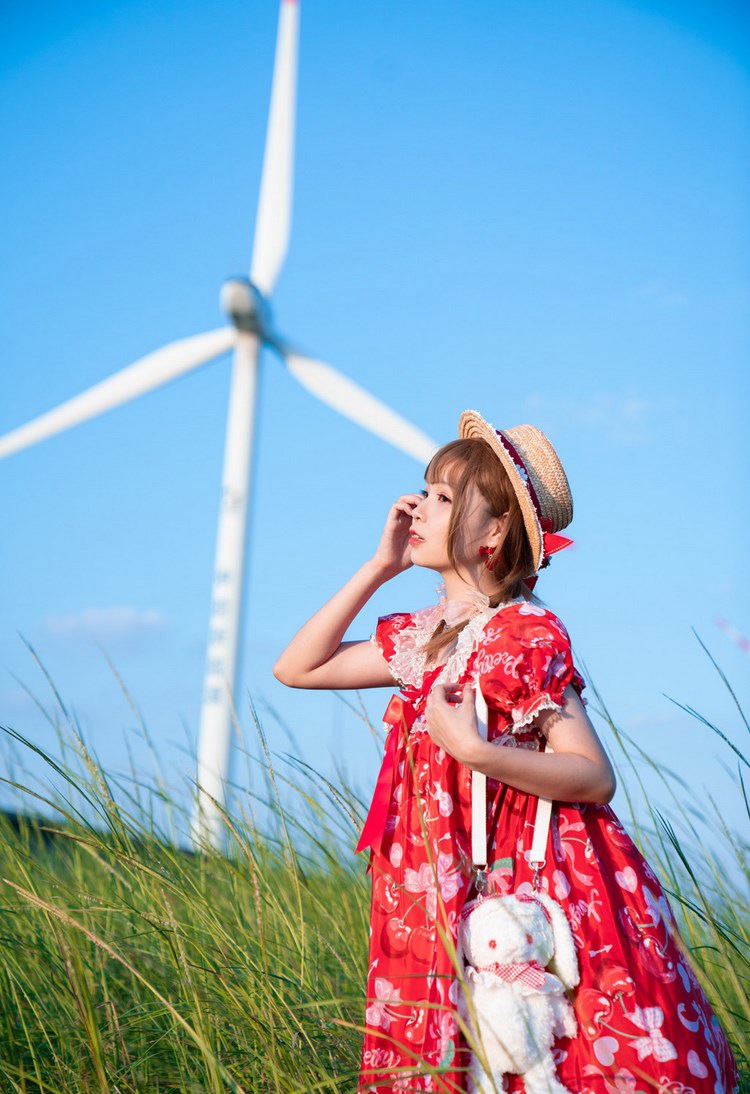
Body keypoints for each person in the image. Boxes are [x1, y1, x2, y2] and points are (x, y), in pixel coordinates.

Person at [274, 410, 739, 1094]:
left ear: (494, 532)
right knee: (458, 1059)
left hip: (525, 877)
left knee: (545, 1049)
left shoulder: (526, 632)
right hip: (431, 882)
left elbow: (593, 774)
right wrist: (379, 567)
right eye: (424, 489)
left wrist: (476, 751)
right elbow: (298, 668)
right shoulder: (423, 637)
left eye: (442, 497)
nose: (419, 507)